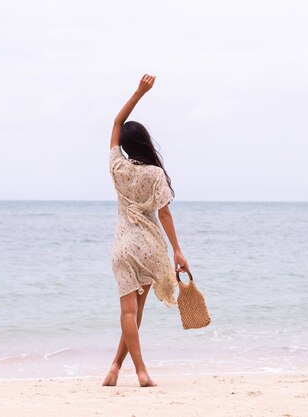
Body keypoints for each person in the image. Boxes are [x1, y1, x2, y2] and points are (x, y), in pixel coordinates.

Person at [103, 74, 189, 387]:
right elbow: (164, 213)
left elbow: (116, 121)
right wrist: (178, 251)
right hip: (149, 247)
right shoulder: (154, 174)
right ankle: (134, 370)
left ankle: (119, 368)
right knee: (137, 313)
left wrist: (138, 92)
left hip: (123, 247)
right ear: (146, 142)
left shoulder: (118, 167)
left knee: (128, 313)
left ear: (125, 145)